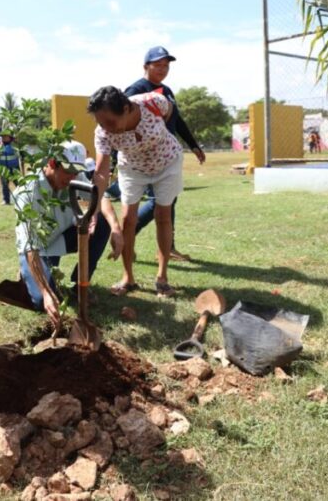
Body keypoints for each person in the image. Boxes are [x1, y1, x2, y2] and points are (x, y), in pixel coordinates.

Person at [89, 85, 183, 298]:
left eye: (111, 122)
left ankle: (162, 278)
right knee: (128, 219)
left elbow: (170, 112)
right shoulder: (102, 133)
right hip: (132, 168)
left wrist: (157, 135)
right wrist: (93, 210)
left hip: (167, 162)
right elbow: (102, 171)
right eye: (101, 123)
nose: (107, 128)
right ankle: (128, 278)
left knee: (163, 216)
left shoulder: (151, 102)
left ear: (125, 108)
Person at [14, 141, 122, 324]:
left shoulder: (75, 176)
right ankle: (28, 273)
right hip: (37, 249)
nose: (72, 178)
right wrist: (47, 294)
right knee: (42, 300)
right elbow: (30, 246)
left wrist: (116, 228)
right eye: (67, 171)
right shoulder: (28, 192)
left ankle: (79, 284)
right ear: (51, 163)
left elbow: (99, 195)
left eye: (75, 171)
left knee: (102, 222)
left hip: (63, 236)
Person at [123, 46, 205, 262]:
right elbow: (122, 121)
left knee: (169, 201)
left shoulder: (166, 90)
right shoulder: (135, 89)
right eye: (158, 65)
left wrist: (193, 145)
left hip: (167, 156)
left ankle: (168, 247)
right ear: (145, 66)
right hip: (145, 158)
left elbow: (177, 121)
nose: (163, 69)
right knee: (158, 202)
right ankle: (127, 236)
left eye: (166, 65)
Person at [0, 130, 21, 205]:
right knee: (5, 185)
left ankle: (23, 198)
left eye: (5, 136)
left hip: (14, 168)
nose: (3, 138)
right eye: (2, 136)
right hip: (3, 169)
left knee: (19, 184)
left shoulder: (15, 144)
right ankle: (6, 200)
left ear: (10, 137)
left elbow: (21, 152)